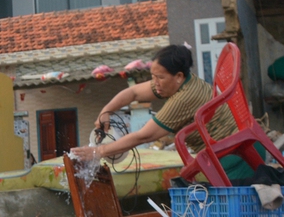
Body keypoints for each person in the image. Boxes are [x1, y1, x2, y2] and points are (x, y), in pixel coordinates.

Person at [71, 44, 248, 180]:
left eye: (160, 78)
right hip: (231, 149)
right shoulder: (181, 82)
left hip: (235, 158)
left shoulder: (184, 99)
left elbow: (144, 136)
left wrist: (99, 152)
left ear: (178, 76)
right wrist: (106, 111)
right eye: (153, 77)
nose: (155, 83)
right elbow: (133, 92)